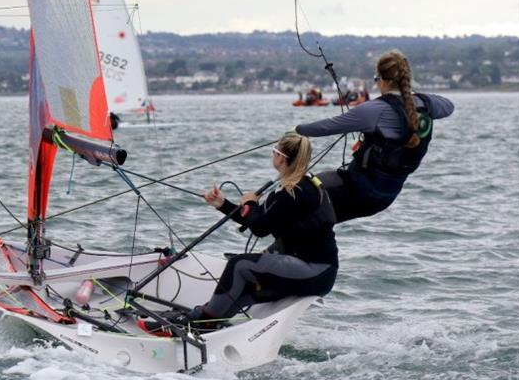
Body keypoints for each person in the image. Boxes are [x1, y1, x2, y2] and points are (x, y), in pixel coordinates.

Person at [139, 133, 338, 334]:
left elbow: (259, 228)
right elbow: (259, 219)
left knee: (240, 265)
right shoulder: (296, 187)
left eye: (274, 151)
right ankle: (207, 322)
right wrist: (222, 204)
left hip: (315, 271)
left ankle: (199, 321)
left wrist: (250, 202)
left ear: (281, 157)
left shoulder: (295, 191)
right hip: (311, 268)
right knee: (248, 285)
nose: (273, 155)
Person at [294, 49, 454, 223]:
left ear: (382, 80)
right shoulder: (426, 104)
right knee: (318, 218)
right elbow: (449, 105)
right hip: (387, 196)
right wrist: (417, 97)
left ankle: (282, 247)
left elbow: (325, 128)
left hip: (361, 190)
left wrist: (297, 129)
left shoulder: (374, 110)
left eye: (377, 79)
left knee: (300, 192)